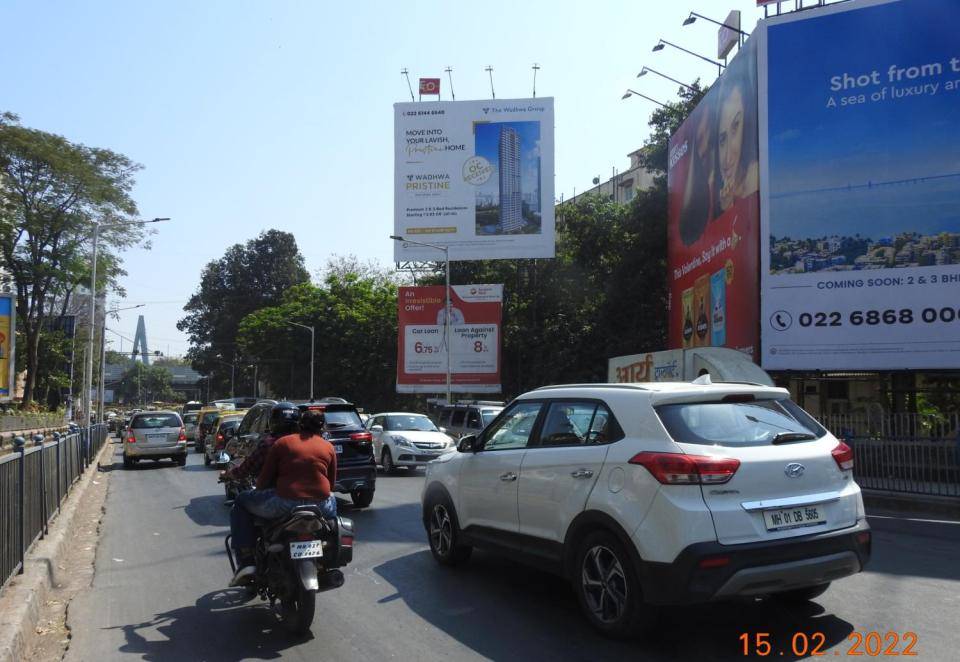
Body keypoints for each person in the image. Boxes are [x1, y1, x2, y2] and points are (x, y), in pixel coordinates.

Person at [229, 408, 338, 586]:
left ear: (300, 425)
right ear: (322, 428)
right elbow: (331, 484)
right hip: (321, 506)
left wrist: (261, 490)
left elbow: (263, 480)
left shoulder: (281, 443)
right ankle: (330, 547)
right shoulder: (328, 446)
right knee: (332, 505)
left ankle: (247, 559)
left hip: (286, 503)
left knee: (241, 501)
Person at [220, 401, 297, 502]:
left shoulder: (270, 444)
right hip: (316, 500)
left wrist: (229, 474)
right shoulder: (312, 442)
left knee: (240, 502)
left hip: (279, 497)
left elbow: (246, 468)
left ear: (272, 422)